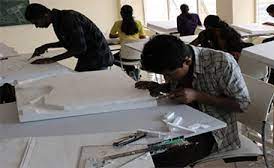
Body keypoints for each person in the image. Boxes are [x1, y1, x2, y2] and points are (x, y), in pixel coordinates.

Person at [136, 35, 250, 167]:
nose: (166, 78)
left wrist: (198, 96)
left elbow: (242, 105)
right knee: (143, 147)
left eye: (169, 74)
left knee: (157, 158)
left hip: (213, 133)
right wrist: (160, 87)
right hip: (181, 122)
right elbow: (180, 86)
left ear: (187, 61)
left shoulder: (221, 63)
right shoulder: (175, 59)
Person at [25, 3, 114, 72]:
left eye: (36, 22)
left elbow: (79, 48)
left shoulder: (68, 18)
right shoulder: (58, 20)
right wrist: (46, 46)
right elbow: (71, 41)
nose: (37, 26)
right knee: (77, 82)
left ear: (45, 15)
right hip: (88, 57)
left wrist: (51, 60)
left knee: (84, 87)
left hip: (98, 58)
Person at [109, 5, 146, 80]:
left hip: (124, 53)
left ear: (121, 13)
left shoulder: (117, 23)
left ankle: (131, 71)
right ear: (132, 13)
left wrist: (119, 35)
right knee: (127, 59)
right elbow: (142, 37)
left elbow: (111, 36)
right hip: (138, 56)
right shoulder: (138, 23)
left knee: (110, 59)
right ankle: (132, 71)